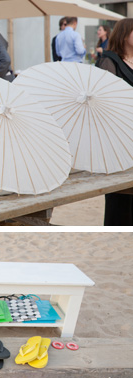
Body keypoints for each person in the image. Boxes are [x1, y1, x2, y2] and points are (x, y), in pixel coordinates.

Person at [96, 18, 133, 225]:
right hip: (118, 138)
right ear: (124, 34)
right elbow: (104, 101)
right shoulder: (109, 61)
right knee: (119, 199)